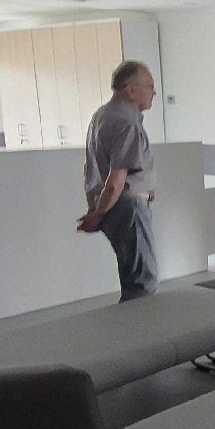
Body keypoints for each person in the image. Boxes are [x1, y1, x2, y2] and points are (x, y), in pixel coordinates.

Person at [77, 60, 159, 302]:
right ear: (130, 90)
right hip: (128, 208)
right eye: (149, 86)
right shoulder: (127, 123)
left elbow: (92, 169)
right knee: (142, 283)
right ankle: (139, 326)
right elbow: (115, 181)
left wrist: (97, 209)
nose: (154, 92)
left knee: (132, 276)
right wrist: (99, 214)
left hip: (115, 207)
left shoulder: (101, 116)